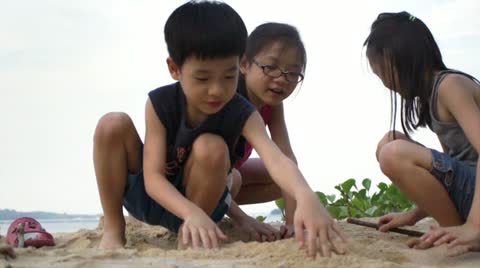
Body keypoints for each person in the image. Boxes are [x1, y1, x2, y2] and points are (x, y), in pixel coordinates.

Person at [94, 0, 345, 257]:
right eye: (203, 78)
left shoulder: (242, 111)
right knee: (112, 123)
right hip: (155, 199)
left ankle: (189, 237)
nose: (217, 90)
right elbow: (154, 179)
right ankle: (114, 228)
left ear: (240, 66)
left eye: (228, 76)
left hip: (203, 206)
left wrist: (305, 195)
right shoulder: (161, 103)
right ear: (174, 69)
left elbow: (277, 159)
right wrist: (191, 212)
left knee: (211, 147)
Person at [364, 11, 480, 256]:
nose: (385, 84)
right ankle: (451, 231)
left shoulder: (450, 86)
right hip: (472, 189)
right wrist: (414, 214)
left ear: (403, 61)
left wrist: (475, 226)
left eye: (383, 73)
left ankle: (459, 232)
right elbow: (451, 170)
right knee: (389, 141)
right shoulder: (429, 98)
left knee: (393, 153)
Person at [232, 22, 306, 238]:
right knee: (233, 177)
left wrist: (293, 222)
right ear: (244, 64)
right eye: (270, 67)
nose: (281, 78)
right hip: (194, 178)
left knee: (281, 177)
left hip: (226, 182)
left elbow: (286, 156)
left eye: (292, 73)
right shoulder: (227, 97)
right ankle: (219, 211)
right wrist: (243, 219)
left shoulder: (272, 105)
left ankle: (218, 207)